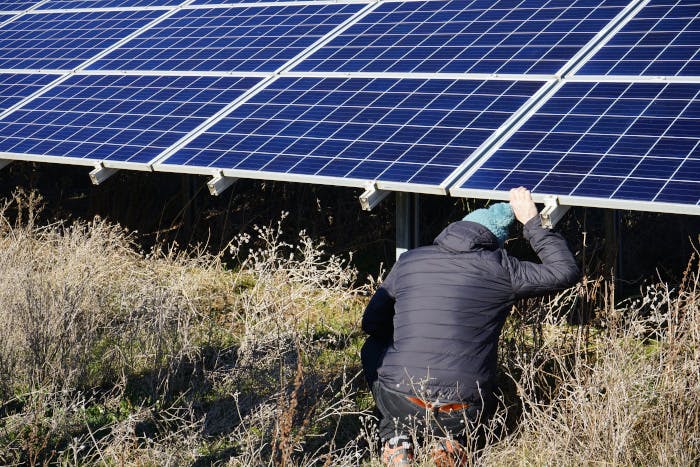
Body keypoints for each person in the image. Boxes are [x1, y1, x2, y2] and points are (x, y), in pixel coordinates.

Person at [361, 187, 580, 466]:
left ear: (454, 229)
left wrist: (408, 340)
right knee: (474, 385)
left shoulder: (410, 260)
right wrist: (532, 223)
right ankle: (451, 443)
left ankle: (397, 438)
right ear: (494, 242)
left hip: (400, 397)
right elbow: (565, 271)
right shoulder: (504, 269)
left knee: (373, 349)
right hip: (463, 406)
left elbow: (371, 323)